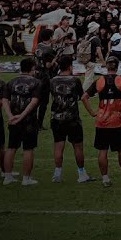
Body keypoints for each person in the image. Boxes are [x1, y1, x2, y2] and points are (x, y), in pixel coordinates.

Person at [82, 56, 121, 187]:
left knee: (103, 150)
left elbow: (84, 97)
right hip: (117, 121)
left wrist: (93, 112)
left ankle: (105, 178)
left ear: (107, 67)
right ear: (117, 66)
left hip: (101, 121)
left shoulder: (99, 81)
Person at [48, 55, 90, 183]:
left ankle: (58, 173)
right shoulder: (74, 80)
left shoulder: (53, 80)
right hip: (72, 119)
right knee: (78, 147)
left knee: (58, 146)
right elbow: (81, 97)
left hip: (57, 118)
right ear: (70, 66)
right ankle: (81, 174)